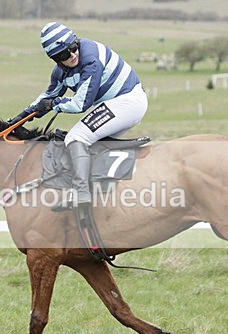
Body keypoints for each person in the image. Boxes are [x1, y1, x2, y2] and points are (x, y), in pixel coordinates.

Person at [10, 22, 148, 211]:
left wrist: (53, 104)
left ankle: (81, 193)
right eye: (64, 55)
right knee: (88, 143)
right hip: (119, 104)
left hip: (127, 102)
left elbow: (80, 104)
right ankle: (97, 192)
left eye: (73, 47)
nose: (73, 55)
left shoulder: (90, 59)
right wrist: (23, 116)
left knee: (76, 137)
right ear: (56, 59)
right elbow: (48, 96)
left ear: (77, 42)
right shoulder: (60, 72)